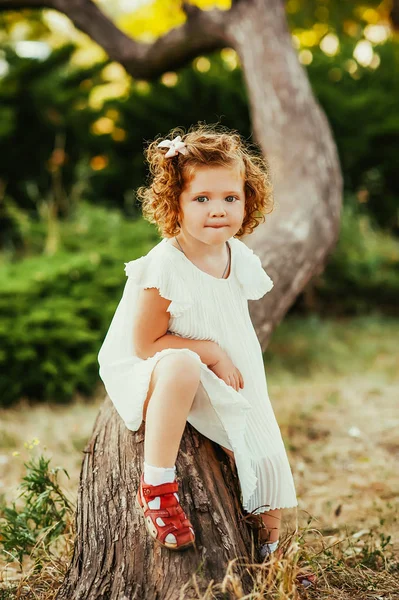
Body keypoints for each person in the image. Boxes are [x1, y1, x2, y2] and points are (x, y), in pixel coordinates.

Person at [97, 123, 298, 560]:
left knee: (264, 459)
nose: (218, 210)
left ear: (249, 200)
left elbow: (230, 325)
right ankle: (157, 487)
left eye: (231, 198)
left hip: (217, 370)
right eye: (201, 199)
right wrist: (209, 352)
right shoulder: (165, 264)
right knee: (184, 365)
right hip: (159, 365)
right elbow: (146, 345)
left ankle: (269, 556)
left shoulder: (236, 255)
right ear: (176, 203)